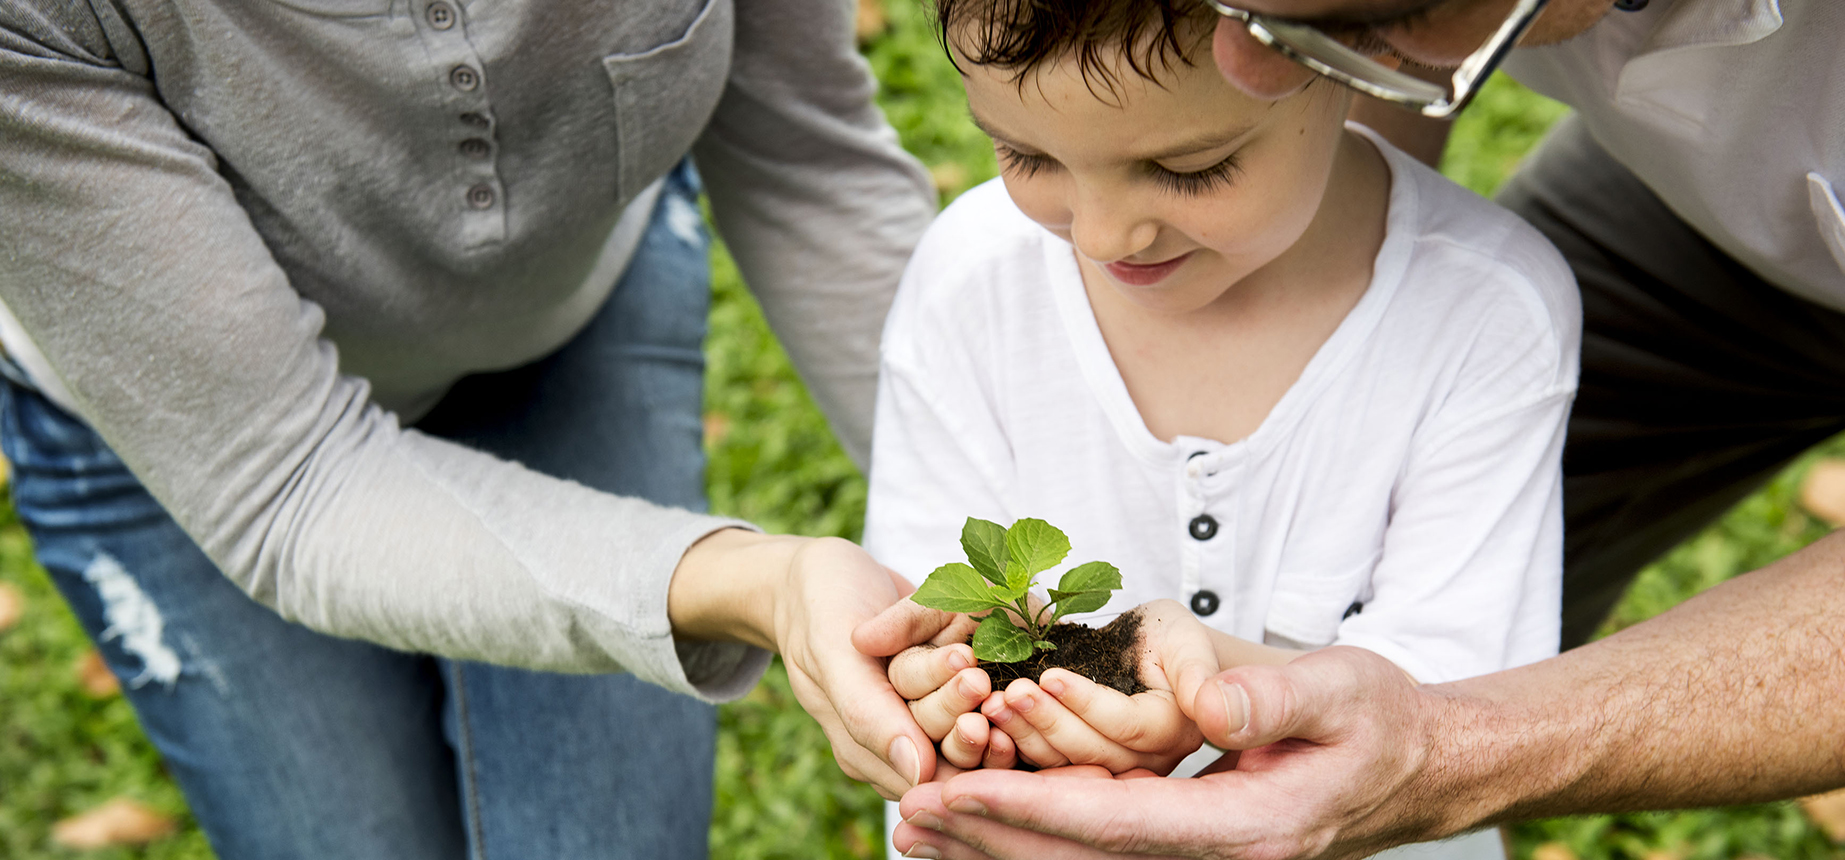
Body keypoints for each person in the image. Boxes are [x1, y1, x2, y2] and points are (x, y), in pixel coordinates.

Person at [867, 0, 1845, 857]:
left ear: (1341, 63)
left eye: (1190, 166)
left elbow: (1463, 701)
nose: (1102, 235)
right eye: (1027, 155)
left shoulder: (1487, 314)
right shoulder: (974, 273)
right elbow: (916, 604)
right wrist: (947, 686)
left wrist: (1204, 680)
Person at [0, 0, 946, 856]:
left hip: (566, 316)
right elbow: (295, 484)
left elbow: (810, 162)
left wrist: (1018, 579)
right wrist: (760, 582)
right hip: (199, 429)